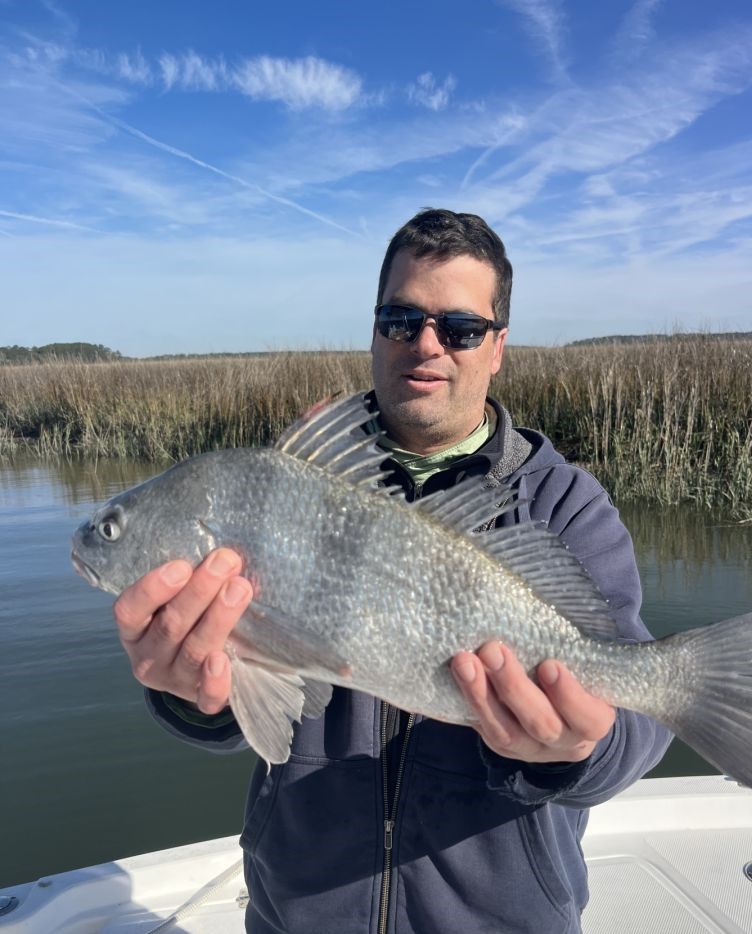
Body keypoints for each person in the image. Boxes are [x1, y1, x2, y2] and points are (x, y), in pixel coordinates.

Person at [113, 209, 671, 933]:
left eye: (461, 328)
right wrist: (192, 693)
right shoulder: (285, 486)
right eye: (400, 318)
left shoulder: (562, 502)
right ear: (374, 329)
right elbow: (254, 712)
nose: (427, 343)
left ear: (498, 346)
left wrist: (574, 750)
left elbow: (638, 725)